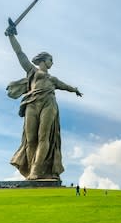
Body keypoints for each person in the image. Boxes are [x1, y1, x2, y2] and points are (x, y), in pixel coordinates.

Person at [5, 23, 82, 180]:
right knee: (31, 139)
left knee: (43, 137)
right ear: (44, 60)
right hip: (31, 103)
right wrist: (11, 36)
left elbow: (66, 86)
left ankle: (36, 171)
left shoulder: (53, 79)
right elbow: (20, 53)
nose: (52, 63)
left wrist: (75, 89)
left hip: (48, 104)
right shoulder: (32, 70)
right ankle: (31, 170)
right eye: (50, 60)